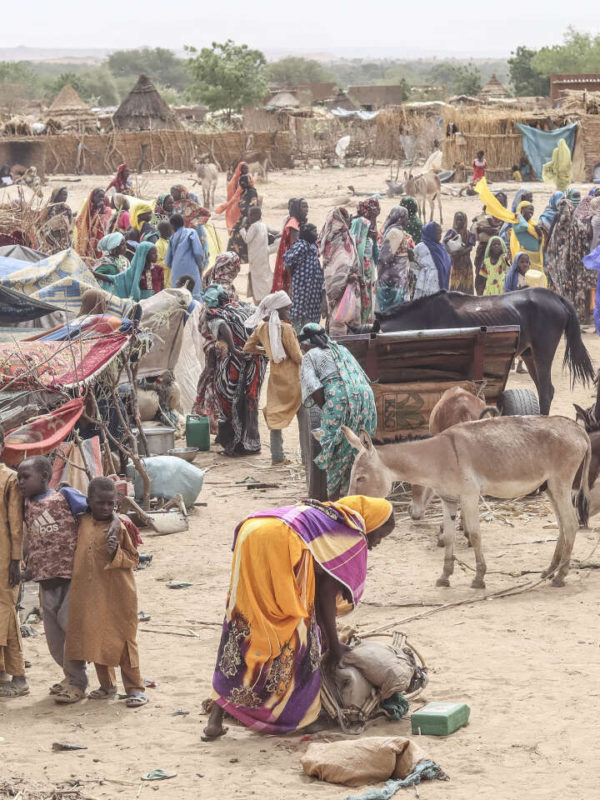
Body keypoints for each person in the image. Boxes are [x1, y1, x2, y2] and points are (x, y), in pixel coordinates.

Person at [203, 495, 395, 739]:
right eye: (380, 535)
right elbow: (325, 595)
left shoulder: (328, 516)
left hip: (252, 529)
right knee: (299, 635)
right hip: (283, 538)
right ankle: (298, 719)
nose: (376, 543)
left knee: (243, 625)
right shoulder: (351, 533)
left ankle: (214, 722)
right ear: (373, 522)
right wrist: (333, 645)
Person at [17, 456, 120, 704]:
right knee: (54, 640)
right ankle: (69, 675)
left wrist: (115, 521)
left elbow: (100, 511)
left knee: (72, 635)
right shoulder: (25, 504)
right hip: (44, 581)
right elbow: (34, 540)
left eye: (25, 477)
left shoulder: (65, 497)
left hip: (70, 579)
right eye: (19, 478)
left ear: (44, 476)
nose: (20, 482)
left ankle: (77, 683)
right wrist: (26, 569)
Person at [66, 478, 147, 708]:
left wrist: (115, 553)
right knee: (96, 636)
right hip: (89, 594)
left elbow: (133, 559)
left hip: (119, 594)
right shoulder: (81, 521)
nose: (105, 508)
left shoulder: (121, 526)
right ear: (89, 501)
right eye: (99, 503)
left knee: (124, 641)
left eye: (110, 504)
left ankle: (135, 688)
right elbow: (65, 490)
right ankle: (107, 685)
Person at [299, 323, 376, 498]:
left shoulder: (310, 356)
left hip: (339, 397)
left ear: (306, 343)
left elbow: (313, 387)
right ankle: (357, 495)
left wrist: (328, 412)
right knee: (357, 447)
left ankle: (334, 502)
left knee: (334, 448)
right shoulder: (341, 350)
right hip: (365, 397)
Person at [200, 284, 267, 456]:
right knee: (251, 399)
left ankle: (234, 443)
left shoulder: (214, 314)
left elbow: (223, 327)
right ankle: (251, 443)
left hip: (237, 359)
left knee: (227, 397)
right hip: (257, 358)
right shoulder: (242, 305)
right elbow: (261, 315)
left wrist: (234, 348)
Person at [244, 292, 305, 466]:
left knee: (275, 415)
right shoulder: (285, 329)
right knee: (303, 416)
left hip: (276, 378)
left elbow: (248, 347)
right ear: (278, 310)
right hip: (293, 378)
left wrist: (268, 353)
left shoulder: (262, 328)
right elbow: (296, 356)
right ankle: (306, 458)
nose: (290, 311)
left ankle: (277, 457)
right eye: (287, 308)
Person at [0, 427, 28, 698]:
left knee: (7, 615)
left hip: (4, 560)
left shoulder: (9, 479)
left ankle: (19, 677)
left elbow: (16, 524)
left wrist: (15, 561)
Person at [545, 196, 595, 321]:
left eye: (567, 210)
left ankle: (577, 319)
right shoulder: (557, 228)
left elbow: (586, 244)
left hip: (576, 267)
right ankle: (563, 318)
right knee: (562, 291)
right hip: (560, 269)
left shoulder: (579, 226)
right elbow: (550, 249)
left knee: (578, 291)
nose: (565, 214)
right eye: (563, 211)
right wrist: (552, 266)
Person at [476, 180, 544, 267]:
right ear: (522, 199)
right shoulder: (513, 220)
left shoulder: (528, 221)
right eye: (529, 199)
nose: (531, 201)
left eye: (531, 199)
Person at [320, 207, 362, 336]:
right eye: (346, 218)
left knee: (343, 319)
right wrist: (345, 280)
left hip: (346, 288)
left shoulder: (339, 239)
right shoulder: (337, 241)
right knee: (340, 322)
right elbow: (337, 266)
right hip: (340, 290)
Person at [284, 223, 324, 332]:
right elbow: (288, 261)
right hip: (302, 286)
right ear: (307, 232)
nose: (316, 234)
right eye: (314, 231)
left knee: (312, 313)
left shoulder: (314, 247)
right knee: (300, 312)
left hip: (313, 289)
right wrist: (293, 278)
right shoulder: (301, 245)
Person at [377, 206, 413, 312]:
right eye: (406, 217)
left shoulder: (399, 231)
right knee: (394, 309)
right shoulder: (395, 233)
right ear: (400, 218)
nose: (407, 219)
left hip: (397, 277)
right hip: (393, 279)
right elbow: (385, 257)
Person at [350, 198, 380, 324]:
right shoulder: (360, 223)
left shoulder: (369, 226)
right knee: (363, 297)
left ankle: (366, 324)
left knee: (369, 296)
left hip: (369, 269)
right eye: (374, 211)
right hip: (361, 270)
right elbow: (355, 246)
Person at [272, 198, 308, 293]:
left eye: (307, 206)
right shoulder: (293, 222)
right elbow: (295, 244)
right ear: (297, 208)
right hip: (294, 261)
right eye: (303, 207)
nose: (307, 209)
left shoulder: (300, 221)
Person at [165, 214, 204, 298]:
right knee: (194, 295)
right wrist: (200, 266)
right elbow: (198, 253)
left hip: (176, 272)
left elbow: (167, 261)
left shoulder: (172, 238)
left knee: (178, 298)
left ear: (173, 226)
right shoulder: (191, 232)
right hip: (191, 270)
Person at [240, 206, 272, 303]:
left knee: (258, 279)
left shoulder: (254, 226)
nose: (248, 217)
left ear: (254, 216)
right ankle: (267, 296)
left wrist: (242, 228)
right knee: (264, 277)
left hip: (255, 257)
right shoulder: (262, 225)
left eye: (250, 215)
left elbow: (247, 239)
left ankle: (260, 300)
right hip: (263, 256)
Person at [412, 221, 451, 299]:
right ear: (431, 233)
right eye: (438, 233)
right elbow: (413, 262)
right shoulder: (420, 247)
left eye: (441, 233)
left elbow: (447, 263)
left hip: (438, 282)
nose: (440, 236)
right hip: (425, 281)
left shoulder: (441, 248)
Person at [215, 161, 253, 236]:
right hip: (242, 201)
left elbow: (236, 194)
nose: (246, 170)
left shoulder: (246, 178)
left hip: (244, 201)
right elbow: (234, 191)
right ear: (240, 169)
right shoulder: (237, 178)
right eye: (244, 168)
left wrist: (223, 207)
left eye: (247, 168)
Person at [74, 188, 111, 260]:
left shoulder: (107, 210)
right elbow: (78, 222)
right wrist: (85, 231)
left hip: (99, 239)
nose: (101, 199)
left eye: (102, 197)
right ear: (93, 197)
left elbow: (105, 225)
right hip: (87, 240)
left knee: (97, 258)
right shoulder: (87, 209)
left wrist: (101, 211)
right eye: (99, 197)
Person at [444, 211, 476, 294]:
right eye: (457, 220)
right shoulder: (451, 233)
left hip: (466, 264)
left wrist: (459, 253)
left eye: (461, 220)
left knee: (466, 288)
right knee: (455, 288)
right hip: (455, 264)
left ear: (465, 221)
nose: (459, 222)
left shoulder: (469, 234)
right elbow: (445, 244)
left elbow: (470, 248)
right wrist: (450, 252)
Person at [40, 187, 73, 252]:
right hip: (51, 237)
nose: (65, 197)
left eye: (66, 195)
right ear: (57, 196)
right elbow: (43, 222)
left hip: (65, 237)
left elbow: (70, 221)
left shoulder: (66, 208)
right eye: (63, 195)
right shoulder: (49, 208)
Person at [155, 221, 173, 286]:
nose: (172, 231)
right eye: (171, 229)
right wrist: (169, 262)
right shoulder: (158, 245)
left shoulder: (169, 242)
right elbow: (156, 263)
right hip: (164, 277)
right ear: (166, 231)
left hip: (170, 275)